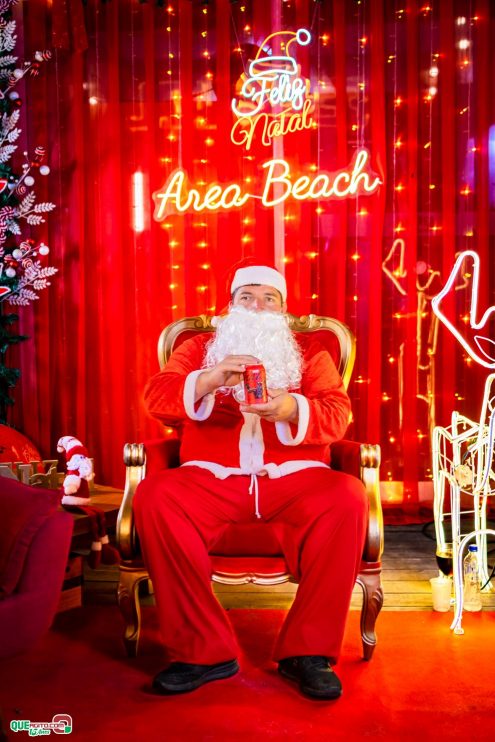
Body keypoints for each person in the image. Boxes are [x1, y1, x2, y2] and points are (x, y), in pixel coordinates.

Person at [134, 264, 368, 700]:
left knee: (347, 496)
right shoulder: (200, 347)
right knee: (155, 494)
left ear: (283, 308)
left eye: (269, 299)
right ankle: (203, 652)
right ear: (231, 304)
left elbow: (337, 413)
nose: (257, 307)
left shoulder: (309, 351)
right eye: (247, 297)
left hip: (294, 482)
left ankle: (308, 653)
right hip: (211, 481)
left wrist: (292, 410)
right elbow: (157, 398)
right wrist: (207, 379)